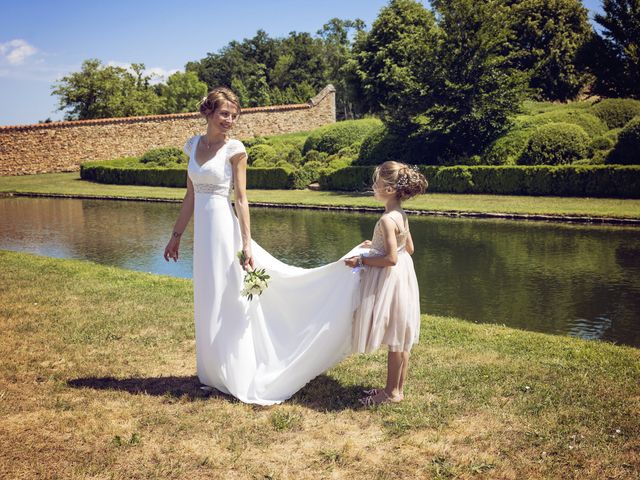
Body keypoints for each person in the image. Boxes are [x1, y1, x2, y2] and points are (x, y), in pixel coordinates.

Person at [163, 87, 364, 405]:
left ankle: (235, 373)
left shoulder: (236, 150)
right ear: (208, 113)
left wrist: (246, 245)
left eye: (233, 115)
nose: (229, 120)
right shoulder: (193, 146)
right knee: (208, 298)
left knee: (230, 298)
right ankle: (213, 374)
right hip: (203, 237)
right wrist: (176, 236)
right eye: (224, 114)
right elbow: (189, 195)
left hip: (224, 232)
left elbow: (241, 199)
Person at [344, 161, 427, 406]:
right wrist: (375, 245)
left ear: (389, 189)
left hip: (392, 278)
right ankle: (396, 389)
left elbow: (390, 259)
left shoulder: (386, 220)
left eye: (377, 183)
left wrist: (361, 259)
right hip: (405, 276)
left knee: (395, 336)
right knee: (401, 336)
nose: (373, 186)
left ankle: (391, 393)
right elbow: (408, 248)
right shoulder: (401, 214)